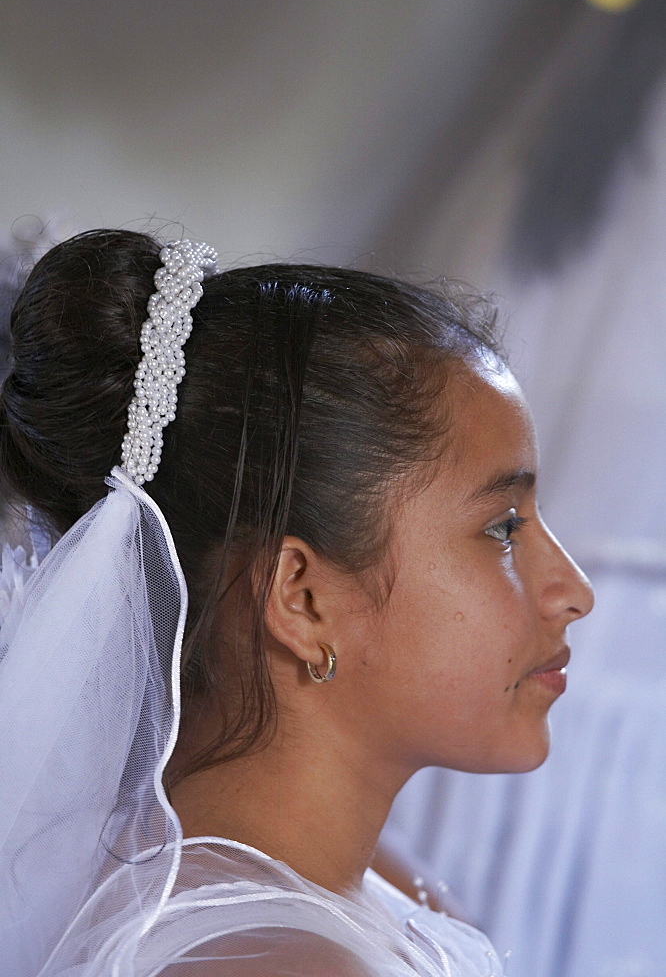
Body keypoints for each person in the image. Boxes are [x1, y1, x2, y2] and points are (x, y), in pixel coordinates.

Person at [0, 229, 593, 977]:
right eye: (503, 528)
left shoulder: (331, 887)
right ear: (303, 599)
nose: (574, 591)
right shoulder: (282, 962)